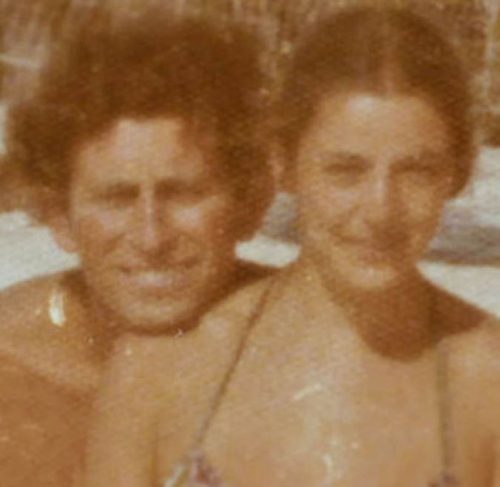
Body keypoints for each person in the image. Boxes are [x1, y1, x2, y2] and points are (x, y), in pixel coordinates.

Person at [82, 6, 500, 487]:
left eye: (416, 172)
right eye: (345, 171)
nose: (380, 210)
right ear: (283, 163)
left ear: (456, 174)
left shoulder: (487, 382)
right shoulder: (160, 370)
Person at [0, 9, 272, 486]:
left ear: (249, 202)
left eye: (183, 193)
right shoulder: (12, 366)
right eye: (116, 198)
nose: (151, 238)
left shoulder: (310, 337)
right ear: (60, 217)